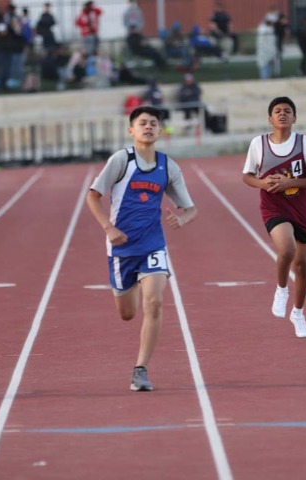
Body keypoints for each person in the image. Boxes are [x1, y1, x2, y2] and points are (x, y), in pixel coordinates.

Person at [86, 106, 197, 391]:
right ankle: (133, 284)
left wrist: (182, 219)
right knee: (127, 313)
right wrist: (108, 228)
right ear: (131, 130)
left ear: (160, 130)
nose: (148, 127)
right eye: (142, 123)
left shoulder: (168, 166)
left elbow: (190, 208)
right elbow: (93, 196)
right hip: (121, 248)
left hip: (153, 245)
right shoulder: (121, 160)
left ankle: (140, 369)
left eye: (153, 123)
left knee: (155, 303)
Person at [242, 97, 306, 338]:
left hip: (300, 210)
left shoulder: (305, 143)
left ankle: (298, 314)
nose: (282, 114)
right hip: (273, 208)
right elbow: (247, 176)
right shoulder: (258, 144)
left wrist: (290, 183)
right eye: (277, 111)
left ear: (294, 118)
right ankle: (281, 290)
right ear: (270, 118)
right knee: (287, 250)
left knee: (302, 266)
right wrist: (262, 183)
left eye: (287, 111)